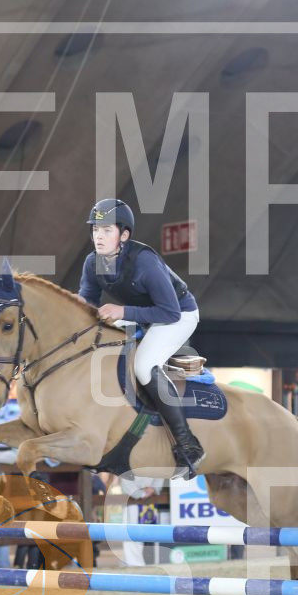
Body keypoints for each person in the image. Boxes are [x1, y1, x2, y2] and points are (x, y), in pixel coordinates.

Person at [77, 198, 203, 478]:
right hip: (143, 314)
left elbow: (169, 312)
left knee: (144, 365)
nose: (98, 236)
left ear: (124, 235)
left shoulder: (144, 262)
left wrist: (122, 311)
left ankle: (188, 444)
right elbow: (87, 301)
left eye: (106, 230)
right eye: (95, 229)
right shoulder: (92, 262)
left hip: (179, 315)